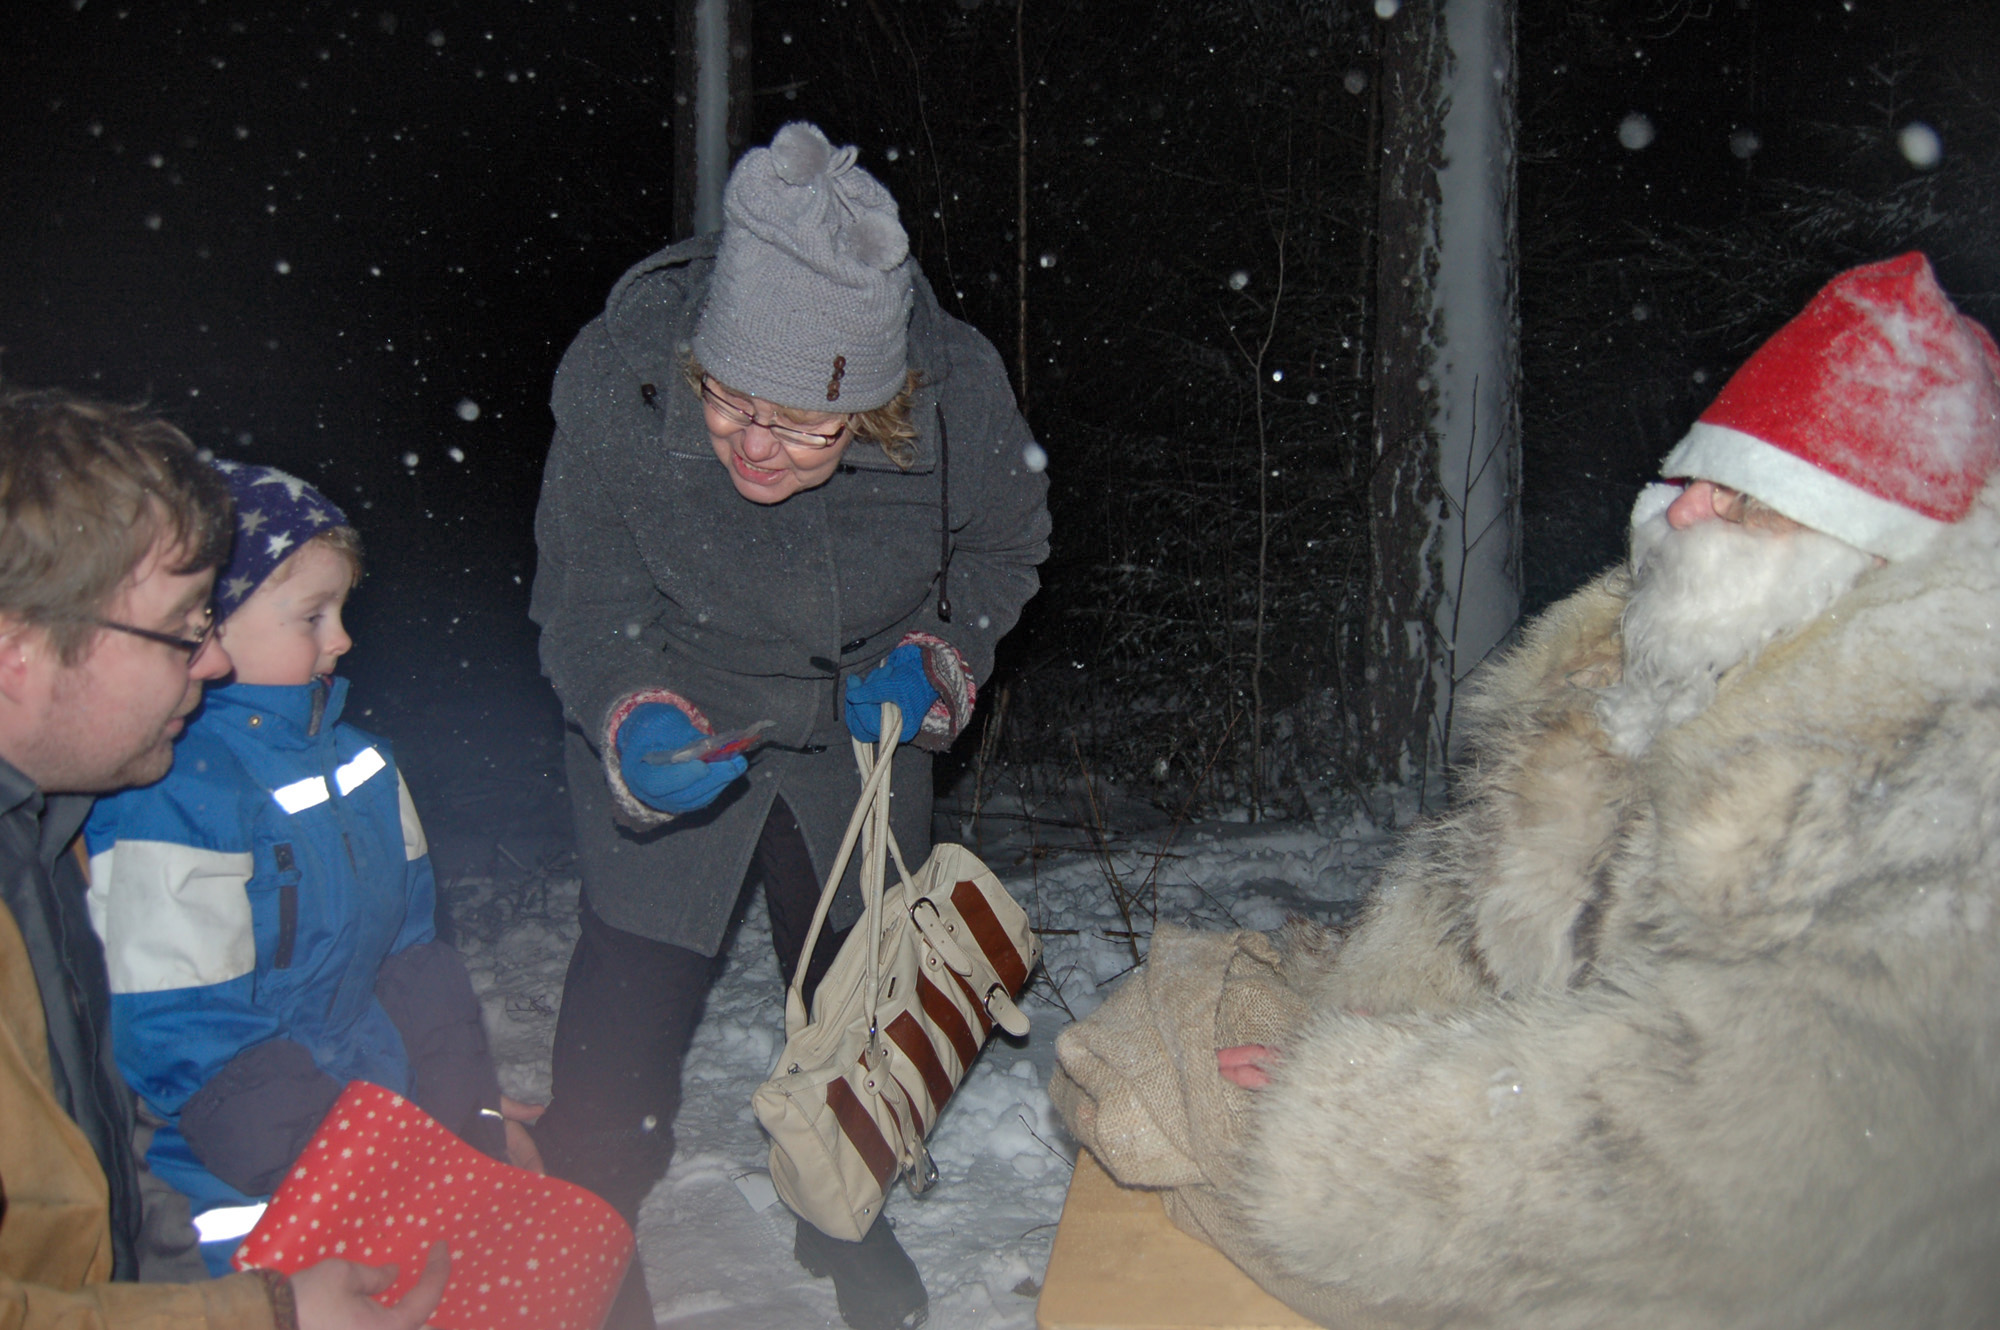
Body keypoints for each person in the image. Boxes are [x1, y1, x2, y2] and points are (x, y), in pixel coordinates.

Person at [1054, 253, 2000, 1326]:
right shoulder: (1658, 671)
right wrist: (1363, 1012)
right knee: (1163, 1062)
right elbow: (1488, 910)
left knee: (1181, 1154)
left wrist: (1368, 1113)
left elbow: (1743, 1148)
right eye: (1687, 475)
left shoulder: (1939, 793)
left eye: (1736, 501)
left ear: (1860, 552)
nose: (1674, 515)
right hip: (1538, 1144)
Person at [531, 121, 1050, 1330]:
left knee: (860, 1007)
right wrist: (631, 718)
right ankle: (587, 1246)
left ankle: (842, 1219)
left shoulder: (955, 391)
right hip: (680, 711)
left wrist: (940, 659)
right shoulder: (622, 379)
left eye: (802, 427)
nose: (752, 448)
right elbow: (584, 603)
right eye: (727, 404)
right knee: (623, 1024)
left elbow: (1003, 546)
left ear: (875, 409)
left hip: (859, 737)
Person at [0, 387, 448, 1327]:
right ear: (17, 650)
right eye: (181, 627)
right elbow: (185, 1046)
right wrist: (266, 1310)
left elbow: (85, 1196)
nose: (207, 663)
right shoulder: (143, 810)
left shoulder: (39, 848)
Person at [83, 461, 540, 1279]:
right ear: (208, 625)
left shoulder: (365, 765)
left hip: (376, 1123)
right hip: (240, 1182)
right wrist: (344, 1172)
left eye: (342, 610)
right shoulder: (171, 791)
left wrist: (458, 1116)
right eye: (312, 615)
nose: (342, 639)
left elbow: (414, 960)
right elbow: (185, 1029)